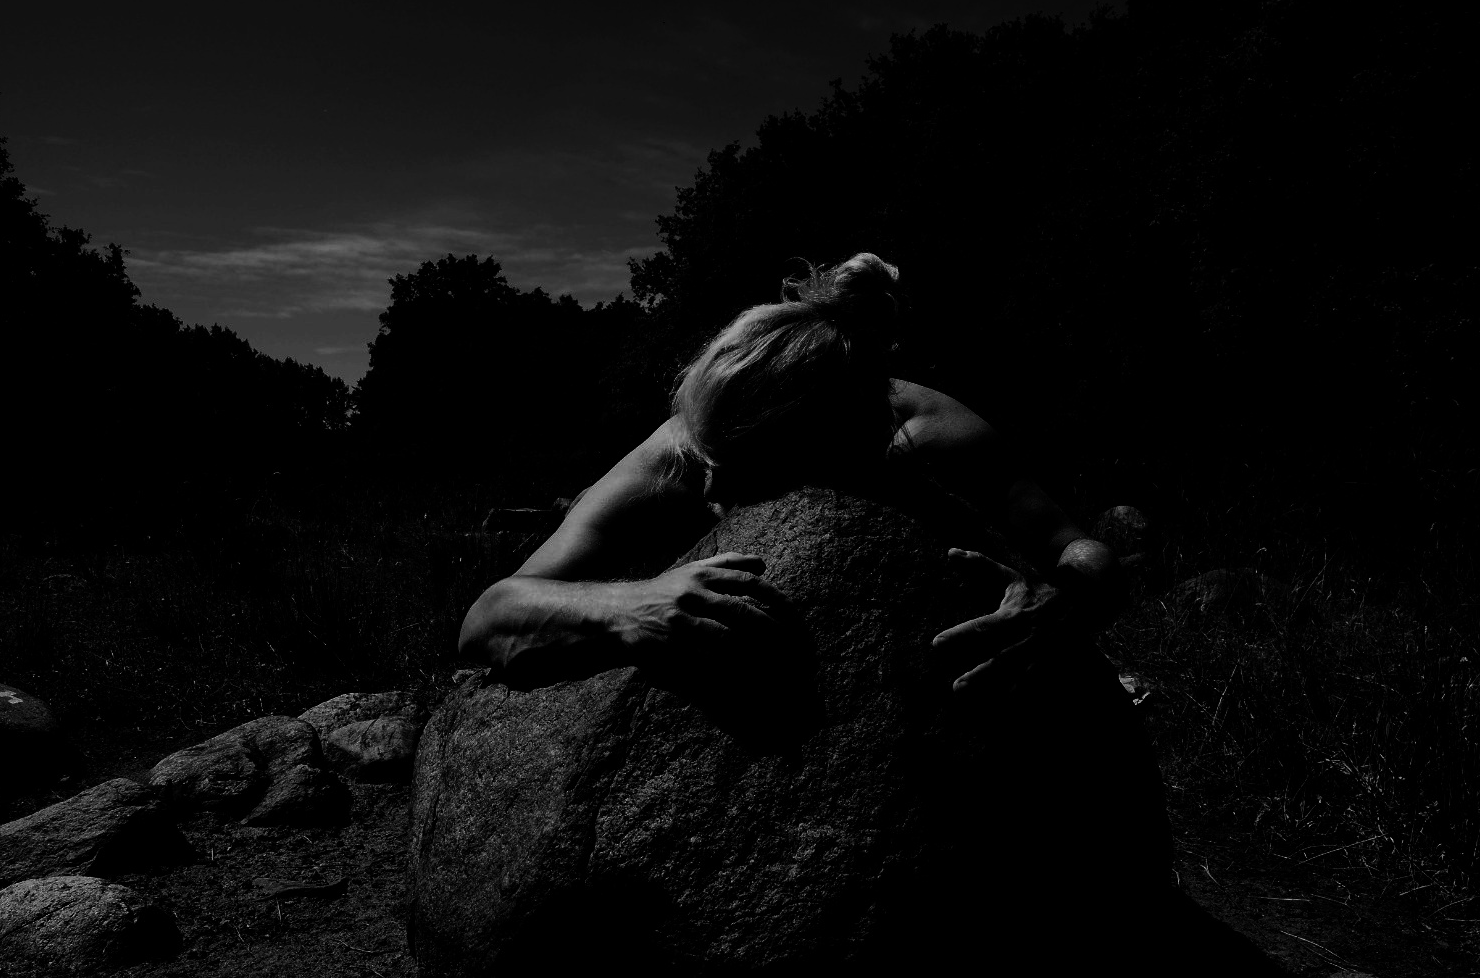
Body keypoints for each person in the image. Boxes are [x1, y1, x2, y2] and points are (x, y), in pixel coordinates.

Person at [458, 252, 1126, 692]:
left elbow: (1080, 550)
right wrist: (629, 603)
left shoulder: (928, 432)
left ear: (842, 443)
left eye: (748, 467)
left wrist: (1060, 606)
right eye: (711, 457)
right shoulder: (681, 451)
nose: (713, 487)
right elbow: (490, 614)